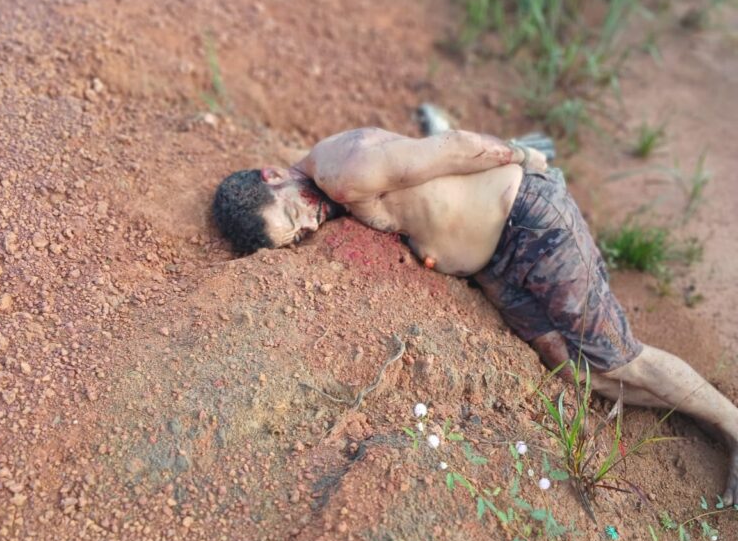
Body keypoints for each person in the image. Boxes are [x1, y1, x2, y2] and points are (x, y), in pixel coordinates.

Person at [213, 124, 738, 506]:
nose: (308, 225)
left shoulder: (344, 173)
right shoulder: (321, 179)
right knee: (578, 372)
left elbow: (455, 146)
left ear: (273, 176)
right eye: (296, 233)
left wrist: (524, 156)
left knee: (620, 361)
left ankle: (731, 424)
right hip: (496, 262)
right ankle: (699, 412)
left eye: (293, 213)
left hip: (526, 218)